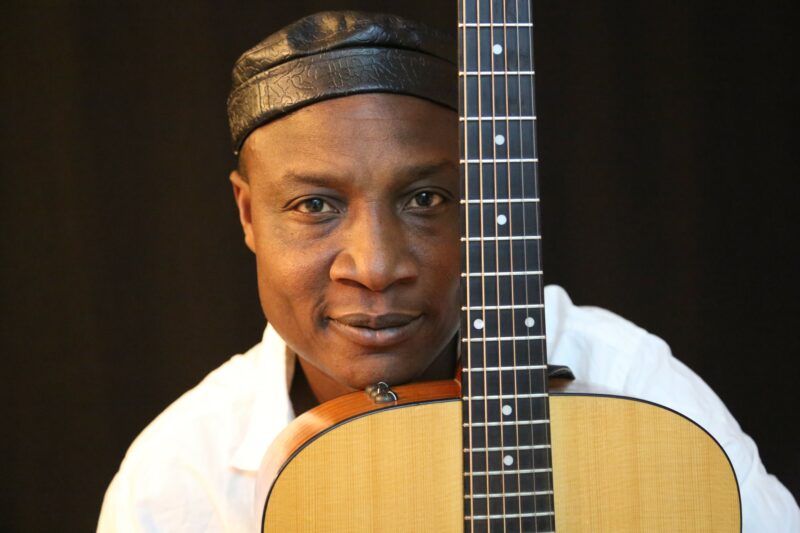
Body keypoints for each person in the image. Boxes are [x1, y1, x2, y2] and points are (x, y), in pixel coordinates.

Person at [97, 11, 799, 532]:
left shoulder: (635, 392)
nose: (376, 266)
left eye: (426, 199)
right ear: (249, 215)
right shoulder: (176, 484)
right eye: (315, 205)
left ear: (487, 200)